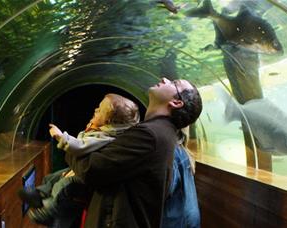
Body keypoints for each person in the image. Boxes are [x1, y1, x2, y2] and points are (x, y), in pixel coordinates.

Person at [64, 77, 203, 228]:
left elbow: (90, 169)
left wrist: (69, 145)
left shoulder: (151, 135)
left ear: (176, 103)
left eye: (174, 83)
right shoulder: (162, 133)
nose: (164, 79)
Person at [18, 93, 140, 227]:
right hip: (79, 170)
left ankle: (48, 210)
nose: (95, 110)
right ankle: (40, 194)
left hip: (84, 181)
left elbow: (80, 147)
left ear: (109, 120)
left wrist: (61, 136)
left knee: (63, 185)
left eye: (100, 110)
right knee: (53, 177)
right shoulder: (101, 130)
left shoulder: (105, 137)